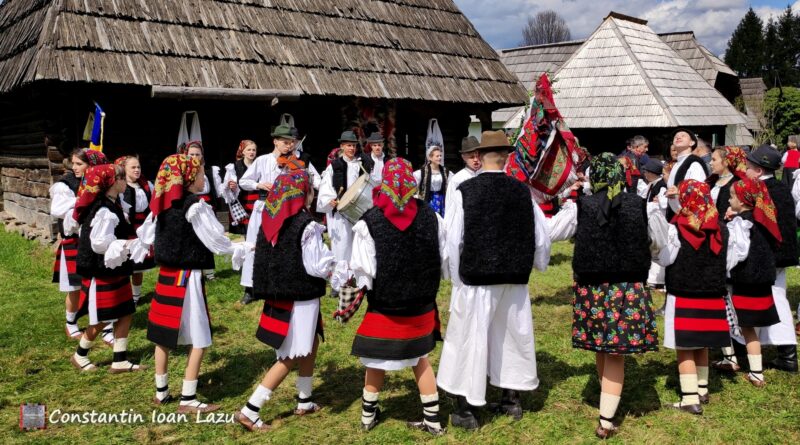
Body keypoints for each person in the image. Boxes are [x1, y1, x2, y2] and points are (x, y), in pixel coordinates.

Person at [437, 131, 551, 431]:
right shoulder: (522, 191)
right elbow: (542, 237)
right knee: (511, 335)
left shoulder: (466, 191)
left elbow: (453, 240)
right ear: (505, 156)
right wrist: (536, 265)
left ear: (481, 155)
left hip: (476, 279)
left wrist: (454, 276)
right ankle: (510, 399)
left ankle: (466, 408)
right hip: (513, 278)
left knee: (470, 338)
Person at [132, 154, 250, 413]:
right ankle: (187, 398)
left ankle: (161, 392)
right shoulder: (193, 206)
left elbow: (146, 237)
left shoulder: (161, 205)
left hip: (166, 276)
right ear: (188, 178)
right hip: (187, 276)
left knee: (162, 335)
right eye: (199, 174)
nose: (203, 178)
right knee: (200, 336)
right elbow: (216, 241)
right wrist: (242, 248)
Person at [236, 170, 341, 432]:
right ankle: (251, 409)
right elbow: (317, 265)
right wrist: (342, 271)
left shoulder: (271, 220)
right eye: (310, 189)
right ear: (303, 193)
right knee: (290, 354)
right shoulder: (306, 225)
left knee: (310, 342)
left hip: (281, 294)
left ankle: (304, 399)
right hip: (300, 296)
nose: (313, 193)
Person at [349, 158, 448, 436]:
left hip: (385, 305)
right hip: (421, 305)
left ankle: (368, 416)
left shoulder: (369, 222)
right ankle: (433, 419)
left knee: (375, 359)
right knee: (421, 358)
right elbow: (444, 258)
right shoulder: (432, 217)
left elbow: (364, 273)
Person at [567, 153, 658, 438]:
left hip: (593, 290)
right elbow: (658, 244)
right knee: (611, 350)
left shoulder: (581, 207)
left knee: (604, 347)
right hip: (627, 289)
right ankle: (608, 406)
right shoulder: (643, 206)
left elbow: (555, 231)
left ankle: (606, 417)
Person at [649, 180, 729, 414]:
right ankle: (702, 388)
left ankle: (689, 397)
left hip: (683, 293)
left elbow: (665, 259)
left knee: (684, 346)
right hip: (713, 294)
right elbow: (730, 260)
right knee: (702, 342)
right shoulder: (722, 228)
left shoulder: (677, 228)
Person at [71, 164, 144, 373]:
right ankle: (79, 354)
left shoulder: (114, 203)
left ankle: (119, 359)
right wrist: (126, 244)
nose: (124, 181)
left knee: (126, 311)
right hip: (103, 271)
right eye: (121, 178)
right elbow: (99, 243)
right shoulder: (104, 209)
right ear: (112, 183)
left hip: (116, 269)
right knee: (104, 317)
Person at [734, 146, 798, 373]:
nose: (745, 170)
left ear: (759, 171)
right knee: (772, 300)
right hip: (778, 254)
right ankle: (752, 348)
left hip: (770, 256)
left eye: (749, 167)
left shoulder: (763, 189)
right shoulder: (780, 188)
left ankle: (787, 355)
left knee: (776, 301)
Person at [50, 148, 112, 343]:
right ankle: (71, 322)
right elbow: (58, 209)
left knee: (98, 282)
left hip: (96, 239)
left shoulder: (102, 183)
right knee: (75, 285)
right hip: (75, 240)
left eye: (79, 164)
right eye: (74, 163)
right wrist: (82, 199)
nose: (74, 168)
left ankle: (104, 322)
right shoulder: (66, 185)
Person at [725, 178, 782, 386]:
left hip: (746, 281)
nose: (729, 200)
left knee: (742, 325)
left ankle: (743, 365)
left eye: (732, 196)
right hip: (762, 281)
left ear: (743, 199)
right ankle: (750, 368)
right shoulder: (764, 220)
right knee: (750, 328)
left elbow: (737, 252)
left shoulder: (743, 223)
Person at [237, 125, 295, 305]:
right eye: (285, 142)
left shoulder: (293, 161)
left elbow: (307, 178)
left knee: (281, 245)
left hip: (284, 207)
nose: (288, 146)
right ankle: (250, 288)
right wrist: (259, 185)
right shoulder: (262, 160)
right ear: (275, 142)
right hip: (263, 205)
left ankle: (279, 284)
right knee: (255, 244)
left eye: (291, 143)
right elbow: (244, 181)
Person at [317, 131, 372, 271]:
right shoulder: (334, 166)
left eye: (353, 146)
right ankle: (340, 280)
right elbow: (325, 186)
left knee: (357, 243)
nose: (352, 149)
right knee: (341, 246)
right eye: (348, 145)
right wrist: (329, 200)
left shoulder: (362, 164)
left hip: (359, 212)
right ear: (342, 146)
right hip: (340, 213)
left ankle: (356, 278)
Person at [181, 141, 223, 282]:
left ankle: (209, 272)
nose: (194, 156)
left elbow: (217, 191)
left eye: (197, 154)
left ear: (202, 155)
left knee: (208, 237)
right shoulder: (183, 171)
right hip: (192, 208)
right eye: (191, 154)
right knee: (193, 239)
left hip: (208, 209)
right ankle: (194, 271)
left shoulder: (210, 171)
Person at [115, 155, 154, 306]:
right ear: (124, 169)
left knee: (139, 265)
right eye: (133, 167)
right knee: (126, 264)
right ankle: (123, 295)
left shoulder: (145, 185)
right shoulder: (121, 187)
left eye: (138, 167)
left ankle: (136, 296)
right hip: (127, 228)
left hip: (142, 227)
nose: (137, 170)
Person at [665, 129, 708, 221]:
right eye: (676, 136)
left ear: (692, 143)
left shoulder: (694, 163)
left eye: (683, 135)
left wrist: (678, 193)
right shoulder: (676, 164)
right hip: (677, 216)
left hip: (689, 218)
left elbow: (699, 190)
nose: (678, 137)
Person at [641, 159, 667, 290]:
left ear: (653, 173)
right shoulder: (650, 185)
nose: (645, 173)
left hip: (658, 222)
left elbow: (660, 205)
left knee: (657, 248)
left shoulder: (661, 186)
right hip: (650, 219)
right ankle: (651, 278)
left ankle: (658, 280)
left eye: (647, 171)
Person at [223, 140, 259, 235]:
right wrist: (231, 186)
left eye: (254, 150)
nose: (252, 152)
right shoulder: (234, 167)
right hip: (242, 203)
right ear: (243, 151)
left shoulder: (259, 164)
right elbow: (226, 188)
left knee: (257, 230)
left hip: (257, 202)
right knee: (244, 231)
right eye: (249, 150)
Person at [445, 136, 482, 211]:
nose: (476, 160)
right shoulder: (457, 179)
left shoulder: (485, 174)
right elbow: (450, 206)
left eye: (478, 156)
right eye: (471, 157)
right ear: (464, 157)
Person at [414, 145, 450, 216]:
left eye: (440, 156)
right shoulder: (423, 171)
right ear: (430, 157)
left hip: (441, 199)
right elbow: (414, 184)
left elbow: (452, 183)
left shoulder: (445, 171)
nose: (440, 158)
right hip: (428, 199)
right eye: (437, 156)